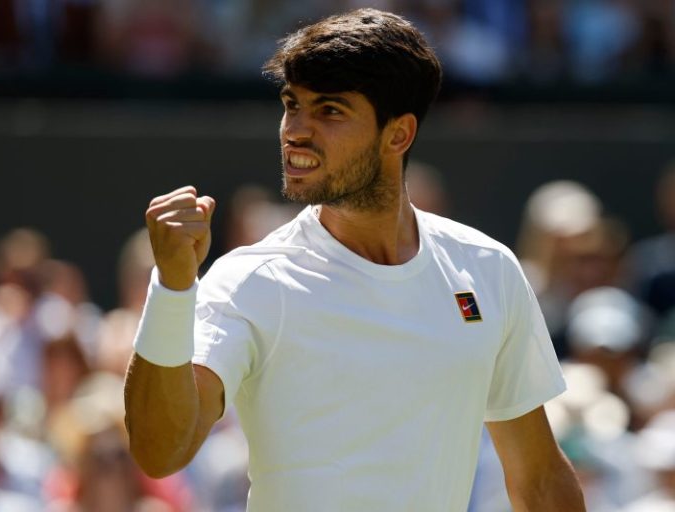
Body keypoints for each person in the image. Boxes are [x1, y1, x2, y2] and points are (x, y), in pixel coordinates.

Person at [125, 8, 585, 511]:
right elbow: (160, 450)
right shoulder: (249, 281)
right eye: (291, 104)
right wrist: (173, 287)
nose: (295, 130)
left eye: (330, 111)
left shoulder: (486, 270)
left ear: (398, 135)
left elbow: (540, 481)